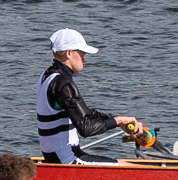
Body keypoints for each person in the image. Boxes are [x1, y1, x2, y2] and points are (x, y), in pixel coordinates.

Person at [36, 27, 146, 164]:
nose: (84, 61)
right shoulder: (63, 84)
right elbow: (86, 128)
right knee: (130, 167)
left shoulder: (46, 76)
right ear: (68, 53)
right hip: (69, 160)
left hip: (55, 157)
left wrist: (119, 121)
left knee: (123, 164)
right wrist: (117, 121)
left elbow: (84, 114)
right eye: (82, 55)